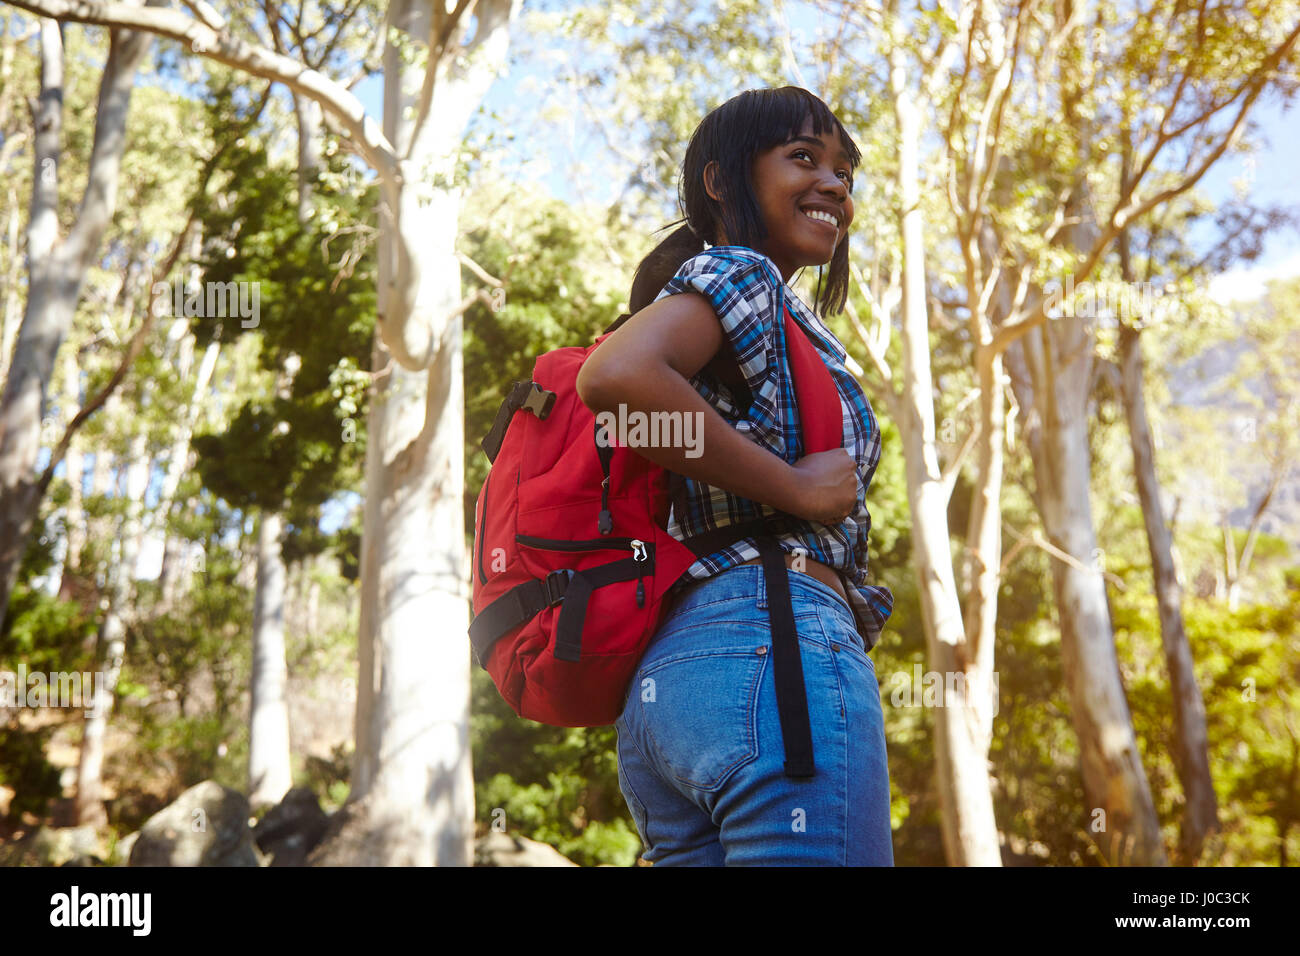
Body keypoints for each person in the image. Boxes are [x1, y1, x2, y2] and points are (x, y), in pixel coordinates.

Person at [575, 86, 893, 866]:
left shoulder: (716, 295)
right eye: (803, 158)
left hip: (672, 689)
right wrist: (794, 490)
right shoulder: (742, 275)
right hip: (773, 648)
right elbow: (613, 381)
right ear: (721, 181)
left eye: (844, 170)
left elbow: (629, 405)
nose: (835, 185)